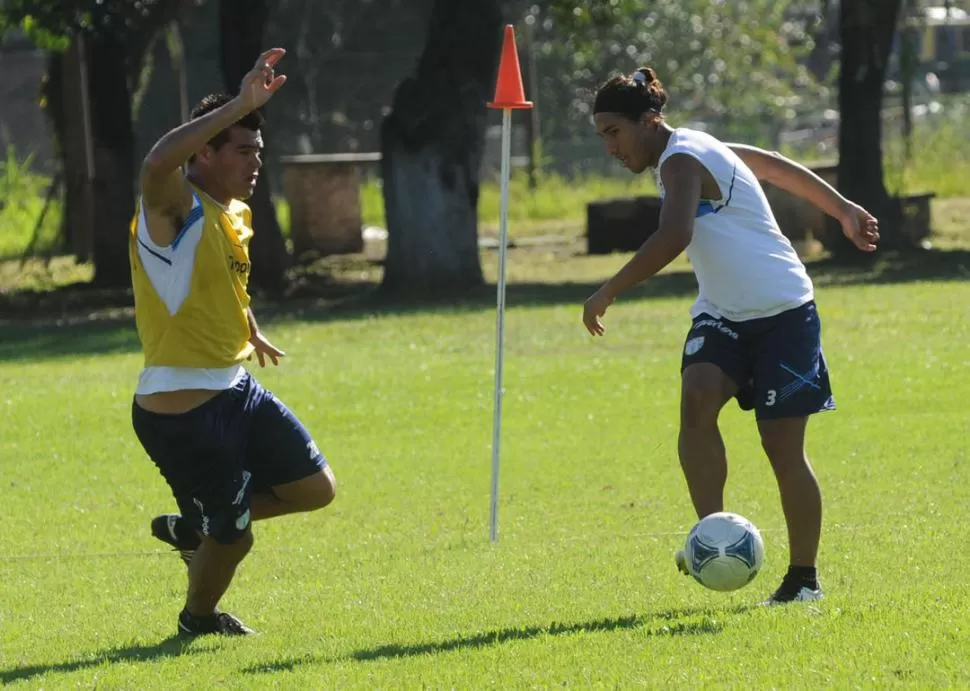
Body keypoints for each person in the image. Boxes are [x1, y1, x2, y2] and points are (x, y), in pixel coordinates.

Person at [582, 67, 880, 604]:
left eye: (613, 132)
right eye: (602, 135)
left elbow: (676, 233)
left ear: (649, 121)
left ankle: (804, 581)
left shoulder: (682, 158)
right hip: (722, 314)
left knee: (781, 447)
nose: (609, 146)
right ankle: (713, 539)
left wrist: (609, 289)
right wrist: (843, 209)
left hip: (783, 312)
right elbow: (766, 165)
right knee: (697, 398)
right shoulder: (687, 148)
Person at [129, 48, 337, 636]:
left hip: (235, 388)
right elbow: (154, 161)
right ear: (205, 151)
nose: (255, 162)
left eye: (258, 151)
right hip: (184, 408)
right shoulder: (172, 205)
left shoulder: (231, 213)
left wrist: (248, 326)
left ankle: (198, 528)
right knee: (236, 535)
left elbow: (219, 281)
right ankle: (198, 618)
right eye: (243, 150)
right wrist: (241, 104)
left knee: (314, 488)